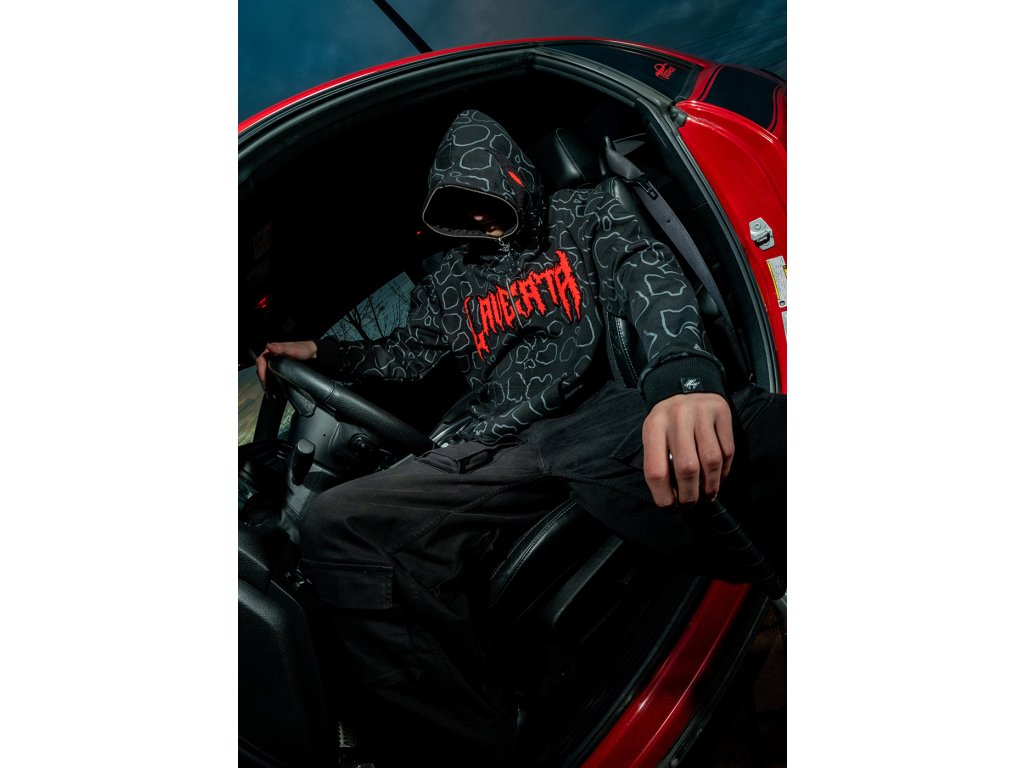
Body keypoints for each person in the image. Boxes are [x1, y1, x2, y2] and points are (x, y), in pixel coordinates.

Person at [256, 109, 785, 767]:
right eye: (460, 208)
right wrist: (323, 351)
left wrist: (682, 377)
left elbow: (646, 274)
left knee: (756, 443)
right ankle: (486, 735)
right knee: (338, 523)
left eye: (486, 200)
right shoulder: (448, 280)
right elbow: (406, 355)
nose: (479, 219)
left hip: (592, 410)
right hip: (492, 441)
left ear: (513, 179)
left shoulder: (582, 215)